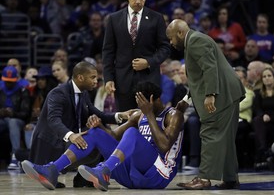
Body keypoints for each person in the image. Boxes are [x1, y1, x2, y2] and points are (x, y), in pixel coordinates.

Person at [21, 81, 184, 191]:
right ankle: (53, 169)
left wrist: (149, 115)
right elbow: (113, 135)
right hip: (131, 176)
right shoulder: (138, 115)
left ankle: (105, 170)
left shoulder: (173, 115)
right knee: (95, 133)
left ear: (152, 100)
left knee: (132, 132)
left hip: (158, 174)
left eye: (142, 103)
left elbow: (164, 146)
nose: (139, 107)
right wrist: (99, 126)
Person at [166, 19, 245, 189]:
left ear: (180, 33)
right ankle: (231, 178)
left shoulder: (195, 41)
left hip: (221, 94)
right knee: (225, 138)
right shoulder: (194, 40)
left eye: (171, 38)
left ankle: (204, 178)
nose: (171, 43)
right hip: (228, 92)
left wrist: (211, 94)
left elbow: (210, 68)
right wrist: (186, 100)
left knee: (210, 132)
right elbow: (199, 77)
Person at [28, 61, 132, 188]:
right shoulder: (58, 93)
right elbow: (53, 120)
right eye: (92, 77)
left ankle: (82, 178)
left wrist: (121, 115)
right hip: (50, 145)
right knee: (92, 137)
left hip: (64, 141)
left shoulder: (83, 93)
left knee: (97, 133)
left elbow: (98, 113)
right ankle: (49, 170)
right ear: (80, 77)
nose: (96, 80)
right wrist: (71, 135)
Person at [103, 0, 170, 112]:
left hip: (149, 81)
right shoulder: (113, 19)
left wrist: (149, 62)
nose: (138, 1)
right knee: (125, 126)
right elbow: (108, 52)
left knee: (149, 126)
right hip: (122, 81)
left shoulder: (157, 18)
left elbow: (165, 48)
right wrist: (108, 78)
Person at [0, 66, 31, 170]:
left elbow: (25, 113)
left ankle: (15, 156)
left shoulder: (23, 90)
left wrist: (12, 113)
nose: (8, 84)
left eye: (11, 81)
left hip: (18, 120)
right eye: (6, 81)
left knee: (13, 122)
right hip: (2, 119)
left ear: (16, 79)